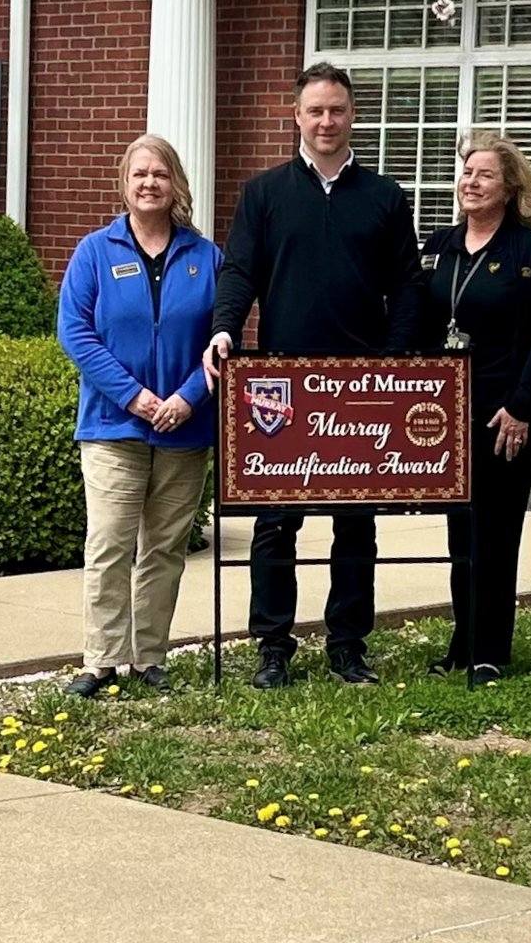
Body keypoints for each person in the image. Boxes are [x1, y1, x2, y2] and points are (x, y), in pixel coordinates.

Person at [204, 62, 422, 688]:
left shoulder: (384, 197)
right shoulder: (264, 194)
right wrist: (225, 326)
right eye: (315, 111)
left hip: (360, 390)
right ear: (296, 117)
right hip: (281, 386)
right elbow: (240, 272)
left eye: (338, 110)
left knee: (355, 526)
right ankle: (273, 648)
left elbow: (407, 285)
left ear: (353, 116)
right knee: (275, 526)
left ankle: (348, 646)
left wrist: (396, 360)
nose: (327, 121)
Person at [57, 134, 221, 698]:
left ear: (175, 183)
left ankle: (149, 658)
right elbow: (75, 333)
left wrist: (187, 397)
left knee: (164, 550)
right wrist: (136, 397)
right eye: (139, 174)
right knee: (108, 544)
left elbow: (224, 341)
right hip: (114, 425)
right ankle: (100, 660)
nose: (149, 183)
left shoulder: (206, 257)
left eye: (160, 173)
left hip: (185, 427)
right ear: (124, 184)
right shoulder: (95, 251)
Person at [418, 132, 531, 688]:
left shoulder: (527, 251)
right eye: (466, 173)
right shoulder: (440, 245)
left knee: (497, 535)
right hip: (446, 416)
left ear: (509, 188)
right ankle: (463, 642)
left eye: (484, 175)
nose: (471, 183)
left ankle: (492, 651)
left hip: (503, 412)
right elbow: (421, 324)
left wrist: (522, 405)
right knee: (461, 536)